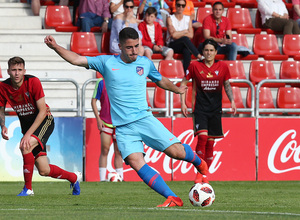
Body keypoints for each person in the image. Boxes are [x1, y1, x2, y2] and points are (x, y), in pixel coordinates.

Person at [44, 27, 208, 207]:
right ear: (119, 46)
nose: (134, 51)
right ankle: (172, 197)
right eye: (129, 47)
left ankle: (201, 165)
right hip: (123, 127)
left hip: (144, 119)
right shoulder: (106, 62)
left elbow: (159, 79)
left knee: (176, 152)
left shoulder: (144, 63)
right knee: (135, 162)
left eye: (137, 46)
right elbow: (76, 59)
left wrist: (176, 89)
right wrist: (56, 47)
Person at [0, 56, 81, 196]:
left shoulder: (33, 82)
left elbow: (43, 111)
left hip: (44, 121)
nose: (17, 73)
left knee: (24, 145)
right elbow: (1, 108)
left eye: (20, 70)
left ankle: (28, 189)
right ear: (8, 71)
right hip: (28, 126)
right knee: (44, 170)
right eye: (14, 70)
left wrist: (27, 135)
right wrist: (2, 125)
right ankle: (73, 178)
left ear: (24, 70)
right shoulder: (3, 87)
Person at [181, 39, 237, 184]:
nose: (209, 53)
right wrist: (183, 103)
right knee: (203, 138)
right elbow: (183, 83)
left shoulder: (222, 67)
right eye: (206, 50)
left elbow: (226, 85)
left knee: (211, 143)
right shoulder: (195, 66)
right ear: (202, 52)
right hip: (199, 109)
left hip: (215, 110)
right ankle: (200, 173)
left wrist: (232, 101)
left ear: (216, 52)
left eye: (211, 50)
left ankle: (205, 174)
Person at [91, 78, 124, 181]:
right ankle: (102, 179)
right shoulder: (101, 82)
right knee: (105, 149)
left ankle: (120, 177)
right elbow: (93, 101)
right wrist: (98, 119)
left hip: (119, 122)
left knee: (118, 151)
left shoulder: (122, 80)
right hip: (105, 121)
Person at [166, 0, 202, 72]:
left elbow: (191, 35)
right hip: (173, 44)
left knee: (187, 50)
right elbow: (174, 36)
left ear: (185, 7)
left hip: (184, 45)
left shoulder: (188, 18)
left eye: (182, 6)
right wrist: (185, 31)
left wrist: (178, 33)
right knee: (185, 39)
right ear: (175, 6)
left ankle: (186, 72)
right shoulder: (170, 18)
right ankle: (199, 56)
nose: (180, 7)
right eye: (179, 5)